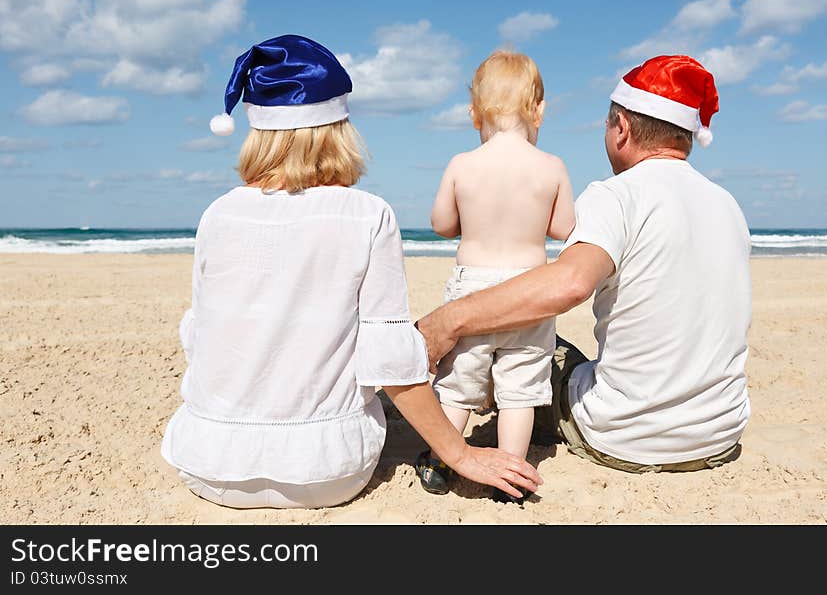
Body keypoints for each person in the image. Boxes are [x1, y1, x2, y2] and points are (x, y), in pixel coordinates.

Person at [160, 34, 541, 509]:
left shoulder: (218, 214)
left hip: (208, 466)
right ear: (337, 129)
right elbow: (388, 359)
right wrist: (459, 454)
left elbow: (205, 336)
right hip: (325, 473)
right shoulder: (367, 215)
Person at [417, 55, 751, 474]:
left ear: (622, 129)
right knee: (524, 356)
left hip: (627, 437)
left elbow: (570, 283)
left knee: (523, 359)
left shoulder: (618, 195)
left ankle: (453, 454)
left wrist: (448, 321)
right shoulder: (727, 205)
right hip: (720, 434)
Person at [417, 51, 575, 503]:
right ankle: (513, 476)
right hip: (528, 289)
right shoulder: (552, 167)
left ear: (473, 113)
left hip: (473, 287)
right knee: (521, 388)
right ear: (539, 109)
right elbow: (565, 229)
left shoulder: (462, 164)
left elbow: (442, 224)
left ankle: (441, 462)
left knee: (459, 383)